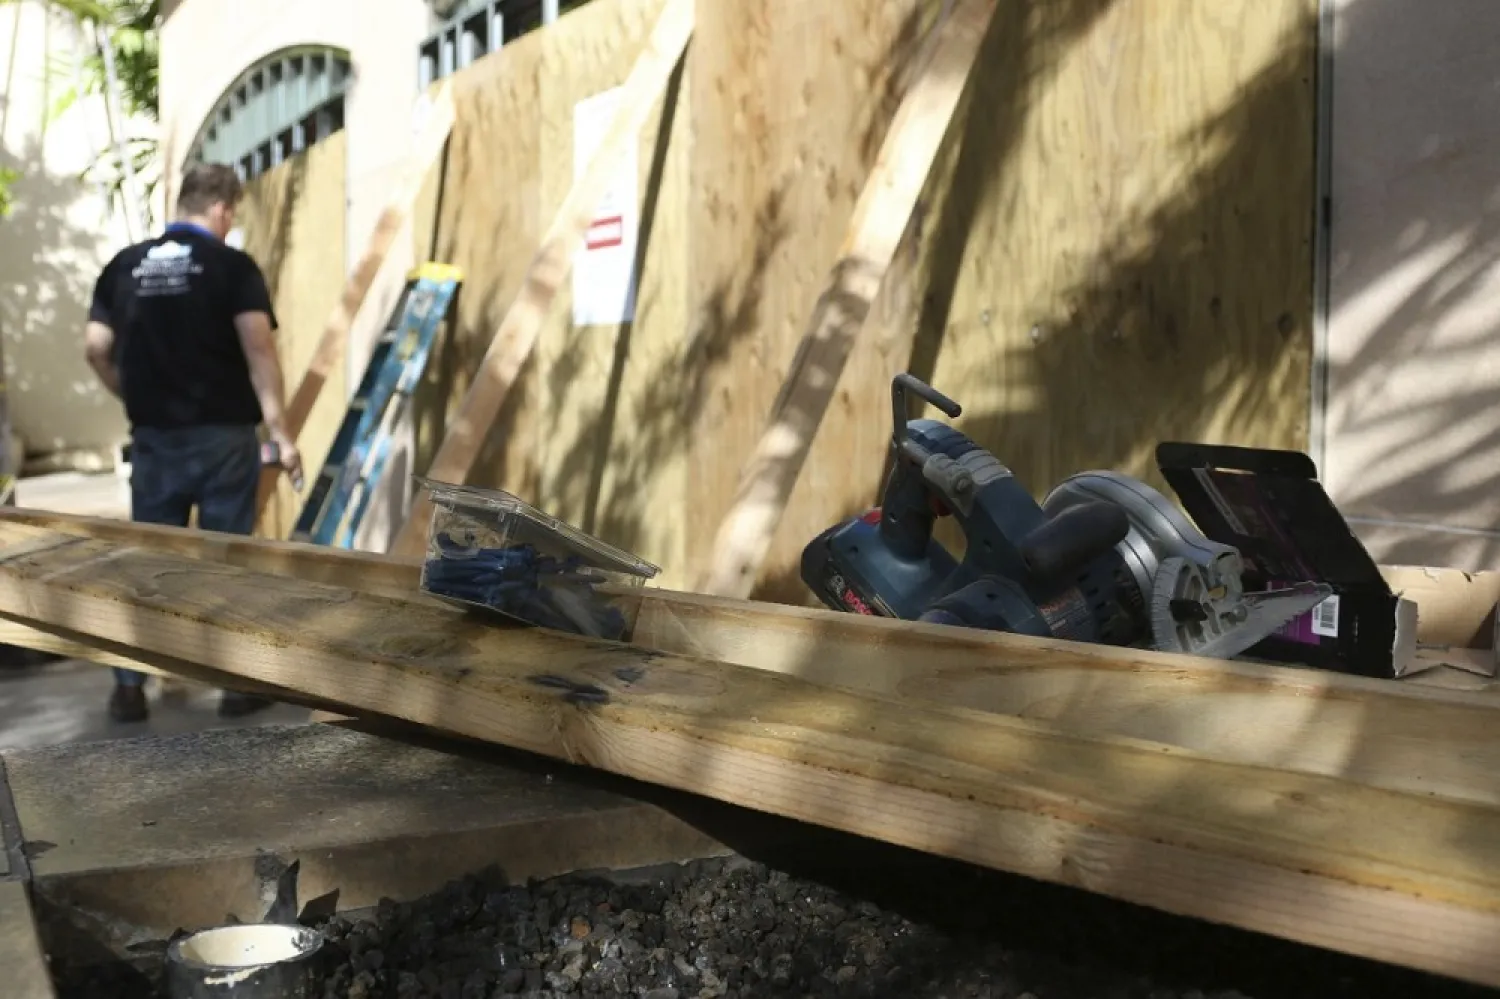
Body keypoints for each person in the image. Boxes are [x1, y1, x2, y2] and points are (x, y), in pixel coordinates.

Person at [83, 162, 303, 723]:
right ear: (222, 208)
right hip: (224, 438)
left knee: (147, 561)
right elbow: (258, 348)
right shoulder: (231, 267)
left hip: (156, 440)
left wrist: (135, 397)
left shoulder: (124, 267)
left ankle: (129, 687)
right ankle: (235, 686)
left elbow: (95, 348)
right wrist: (281, 433)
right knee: (229, 558)